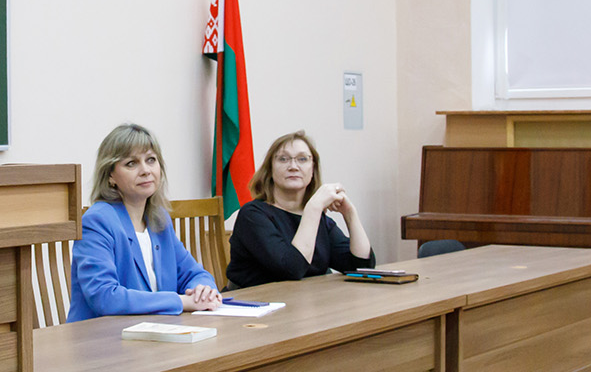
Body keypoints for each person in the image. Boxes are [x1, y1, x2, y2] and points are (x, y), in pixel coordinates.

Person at [67, 124, 222, 322]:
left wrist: (203, 290)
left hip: (155, 330)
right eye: (131, 163)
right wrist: (180, 301)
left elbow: (194, 274)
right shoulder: (97, 221)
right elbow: (105, 297)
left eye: (151, 160)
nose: (145, 170)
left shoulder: (159, 219)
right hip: (102, 336)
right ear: (110, 176)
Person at [226, 130, 375, 288]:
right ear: (270, 170)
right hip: (254, 301)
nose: (293, 166)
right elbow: (291, 269)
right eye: (283, 159)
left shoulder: (319, 219)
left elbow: (361, 267)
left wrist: (350, 214)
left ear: (313, 169)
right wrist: (314, 207)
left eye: (302, 159)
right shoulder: (252, 215)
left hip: (305, 299)